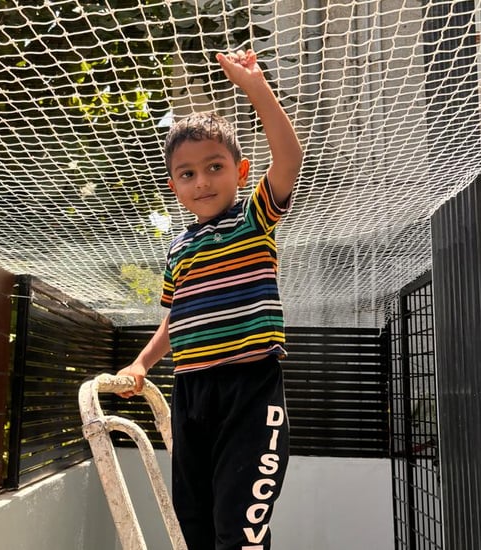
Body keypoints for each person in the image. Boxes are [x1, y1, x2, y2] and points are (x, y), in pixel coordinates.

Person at [116, 49, 303, 550]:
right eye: (187, 174)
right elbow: (175, 318)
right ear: (175, 185)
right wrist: (139, 365)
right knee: (193, 525)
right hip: (191, 393)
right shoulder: (178, 248)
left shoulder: (253, 219)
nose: (202, 181)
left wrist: (256, 89)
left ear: (240, 172)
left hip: (250, 390)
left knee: (238, 529)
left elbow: (289, 158)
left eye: (214, 167)